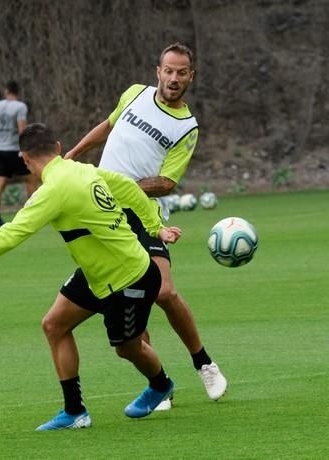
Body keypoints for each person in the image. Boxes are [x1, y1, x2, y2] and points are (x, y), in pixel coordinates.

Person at [0, 123, 182, 431]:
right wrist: (155, 227)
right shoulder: (84, 170)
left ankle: (160, 384)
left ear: (24, 159)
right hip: (98, 273)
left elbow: (9, 235)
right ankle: (75, 412)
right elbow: (129, 187)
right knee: (54, 325)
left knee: (127, 348)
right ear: (58, 147)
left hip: (130, 278)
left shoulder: (53, 191)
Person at [62, 42, 227, 409]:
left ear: (191, 77)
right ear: (158, 71)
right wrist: (73, 155)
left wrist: (120, 186)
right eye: (168, 70)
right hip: (102, 213)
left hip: (140, 213)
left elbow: (167, 182)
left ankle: (205, 363)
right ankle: (158, 382)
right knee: (129, 292)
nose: (174, 78)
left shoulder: (188, 127)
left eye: (181, 72)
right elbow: (107, 126)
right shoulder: (135, 94)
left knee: (163, 292)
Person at [0, 80, 39, 227]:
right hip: (15, 150)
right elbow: (22, 129)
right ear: (17, 92)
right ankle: (32, 214)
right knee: (31, 179)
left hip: (0, 150)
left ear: (6, 91)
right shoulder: (20, 107)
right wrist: (25, 148)